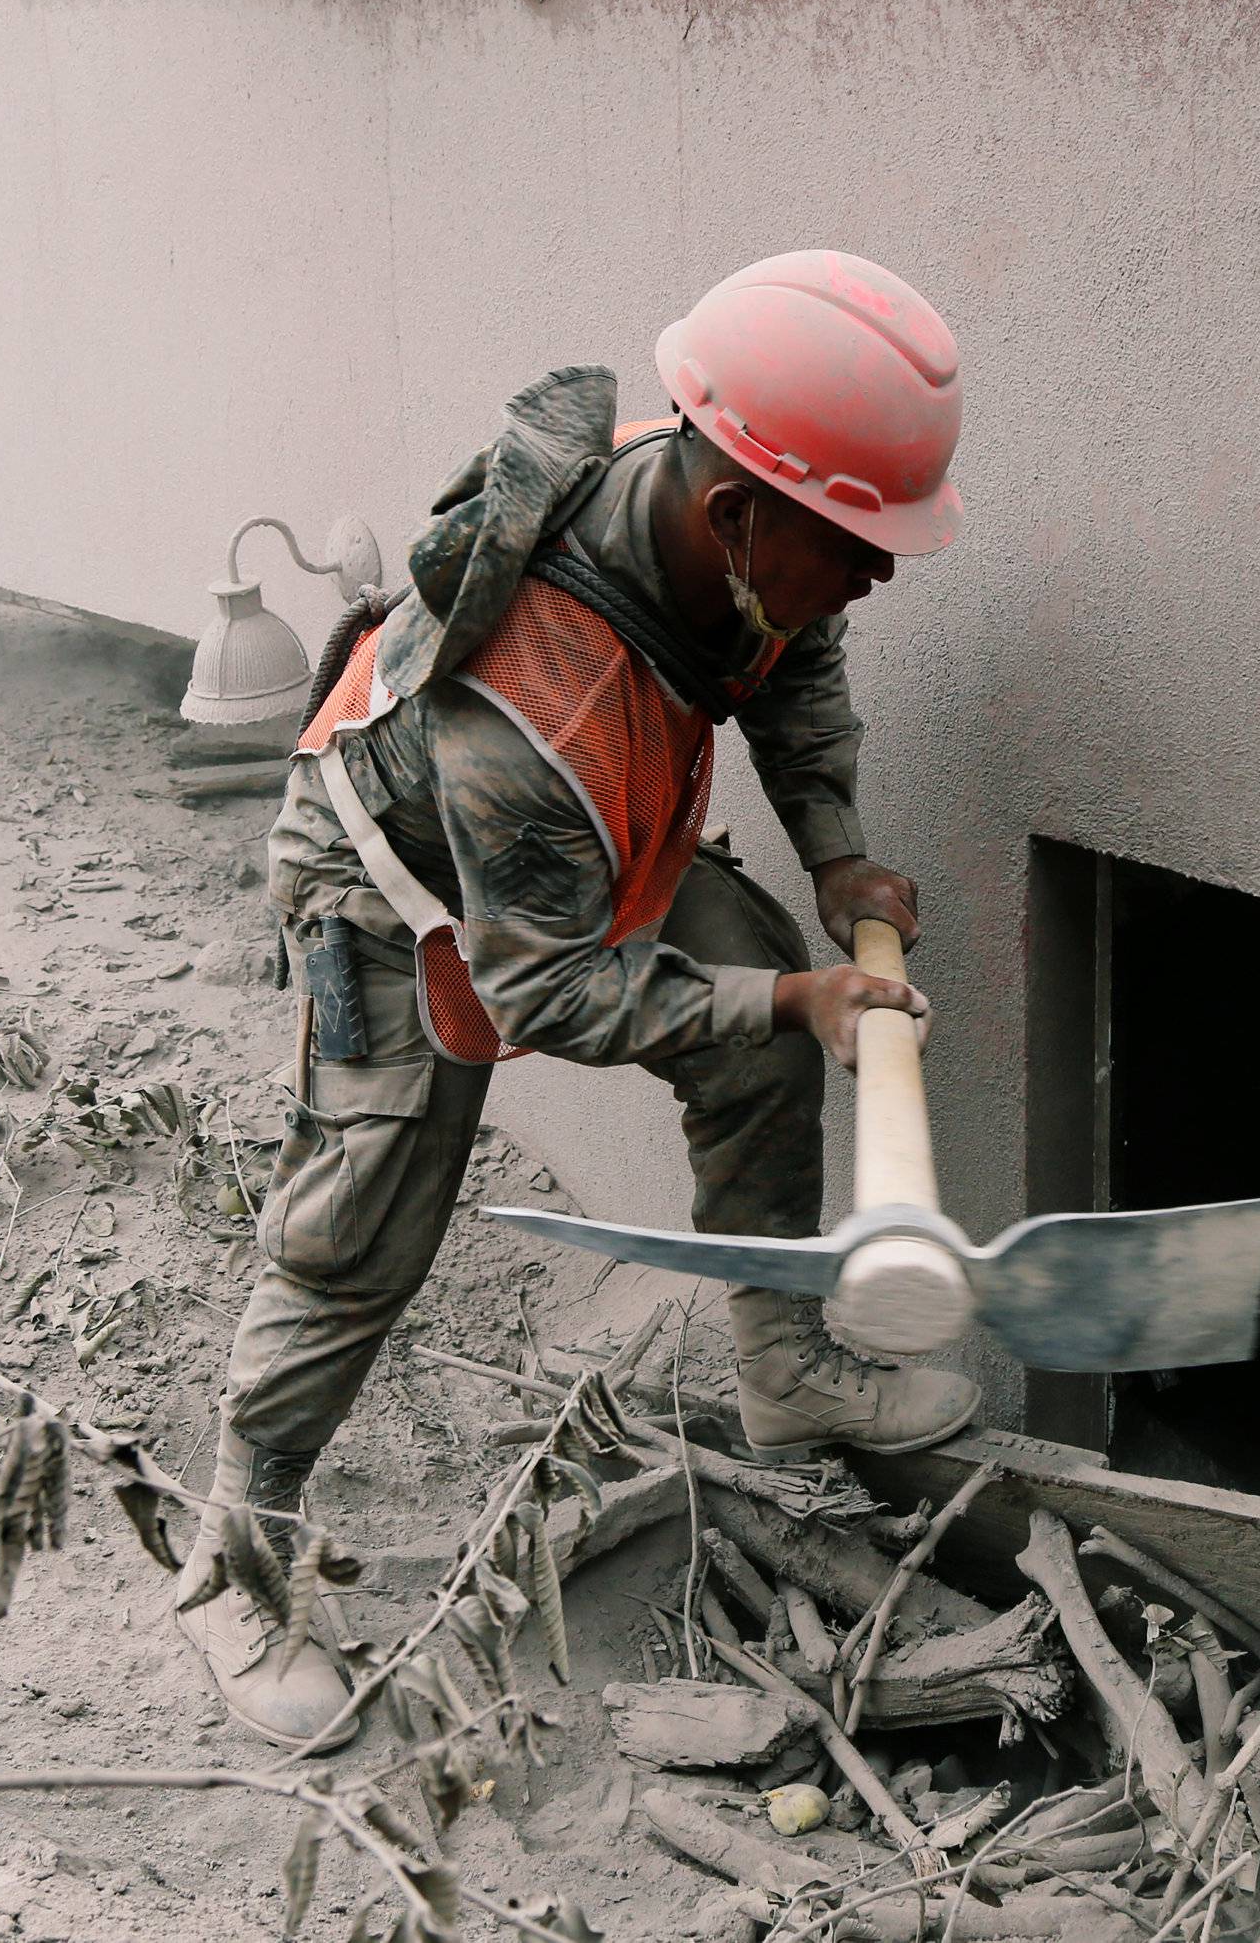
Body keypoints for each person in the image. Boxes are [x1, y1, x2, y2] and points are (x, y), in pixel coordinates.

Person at [178, 249, 980, 1749]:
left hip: (592, 835)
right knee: (362, 1219)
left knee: (755, 1031)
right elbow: (542, 987)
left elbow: (796, 663)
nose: (877, 571)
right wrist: (794, 997)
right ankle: (233, 1554)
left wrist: (840, 859)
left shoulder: (728, 509)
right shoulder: (528, 707)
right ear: (738, 510)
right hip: (401, 877)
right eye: (858, 544)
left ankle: (782, 1369)